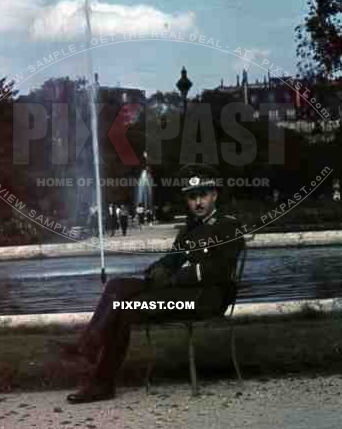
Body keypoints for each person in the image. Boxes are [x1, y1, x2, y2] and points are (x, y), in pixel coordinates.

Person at [60, 167, 245, 404]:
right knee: (118, 286)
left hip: (206, 300)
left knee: (122, 309)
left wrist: (174, 278)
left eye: (203, 195)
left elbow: (218, 271)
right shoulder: (189, 228)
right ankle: (91, 351)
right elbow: (172, 259)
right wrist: (156, 271)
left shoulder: (227, 226)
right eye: (192, 196)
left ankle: (99, 376)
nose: (198, 202)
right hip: (182, 295)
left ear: (214, 195)